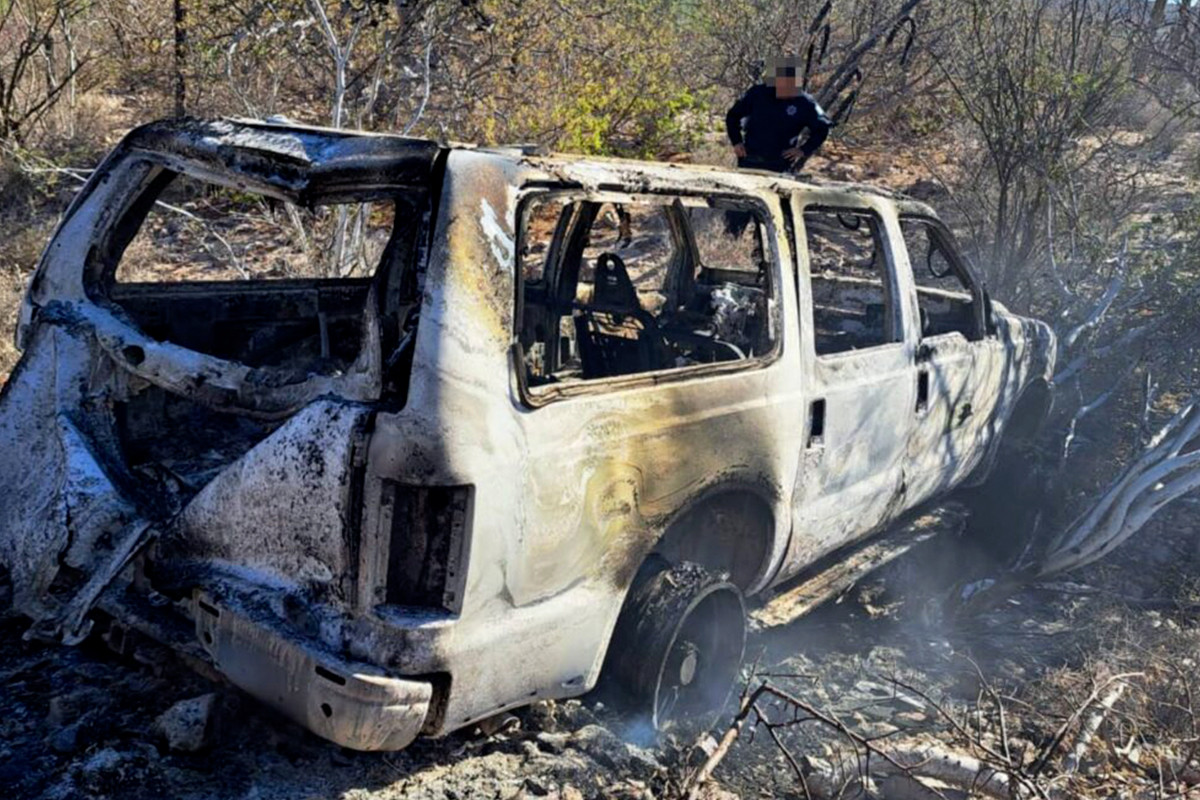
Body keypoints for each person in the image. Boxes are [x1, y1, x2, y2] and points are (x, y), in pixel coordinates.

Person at [726, 55, 832, 173]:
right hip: (750, 159)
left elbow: (823, 127)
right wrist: (736, 141)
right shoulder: (757, 94)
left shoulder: (805, 102)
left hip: (780, 164)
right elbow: (732, 116)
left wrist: (804, 150)